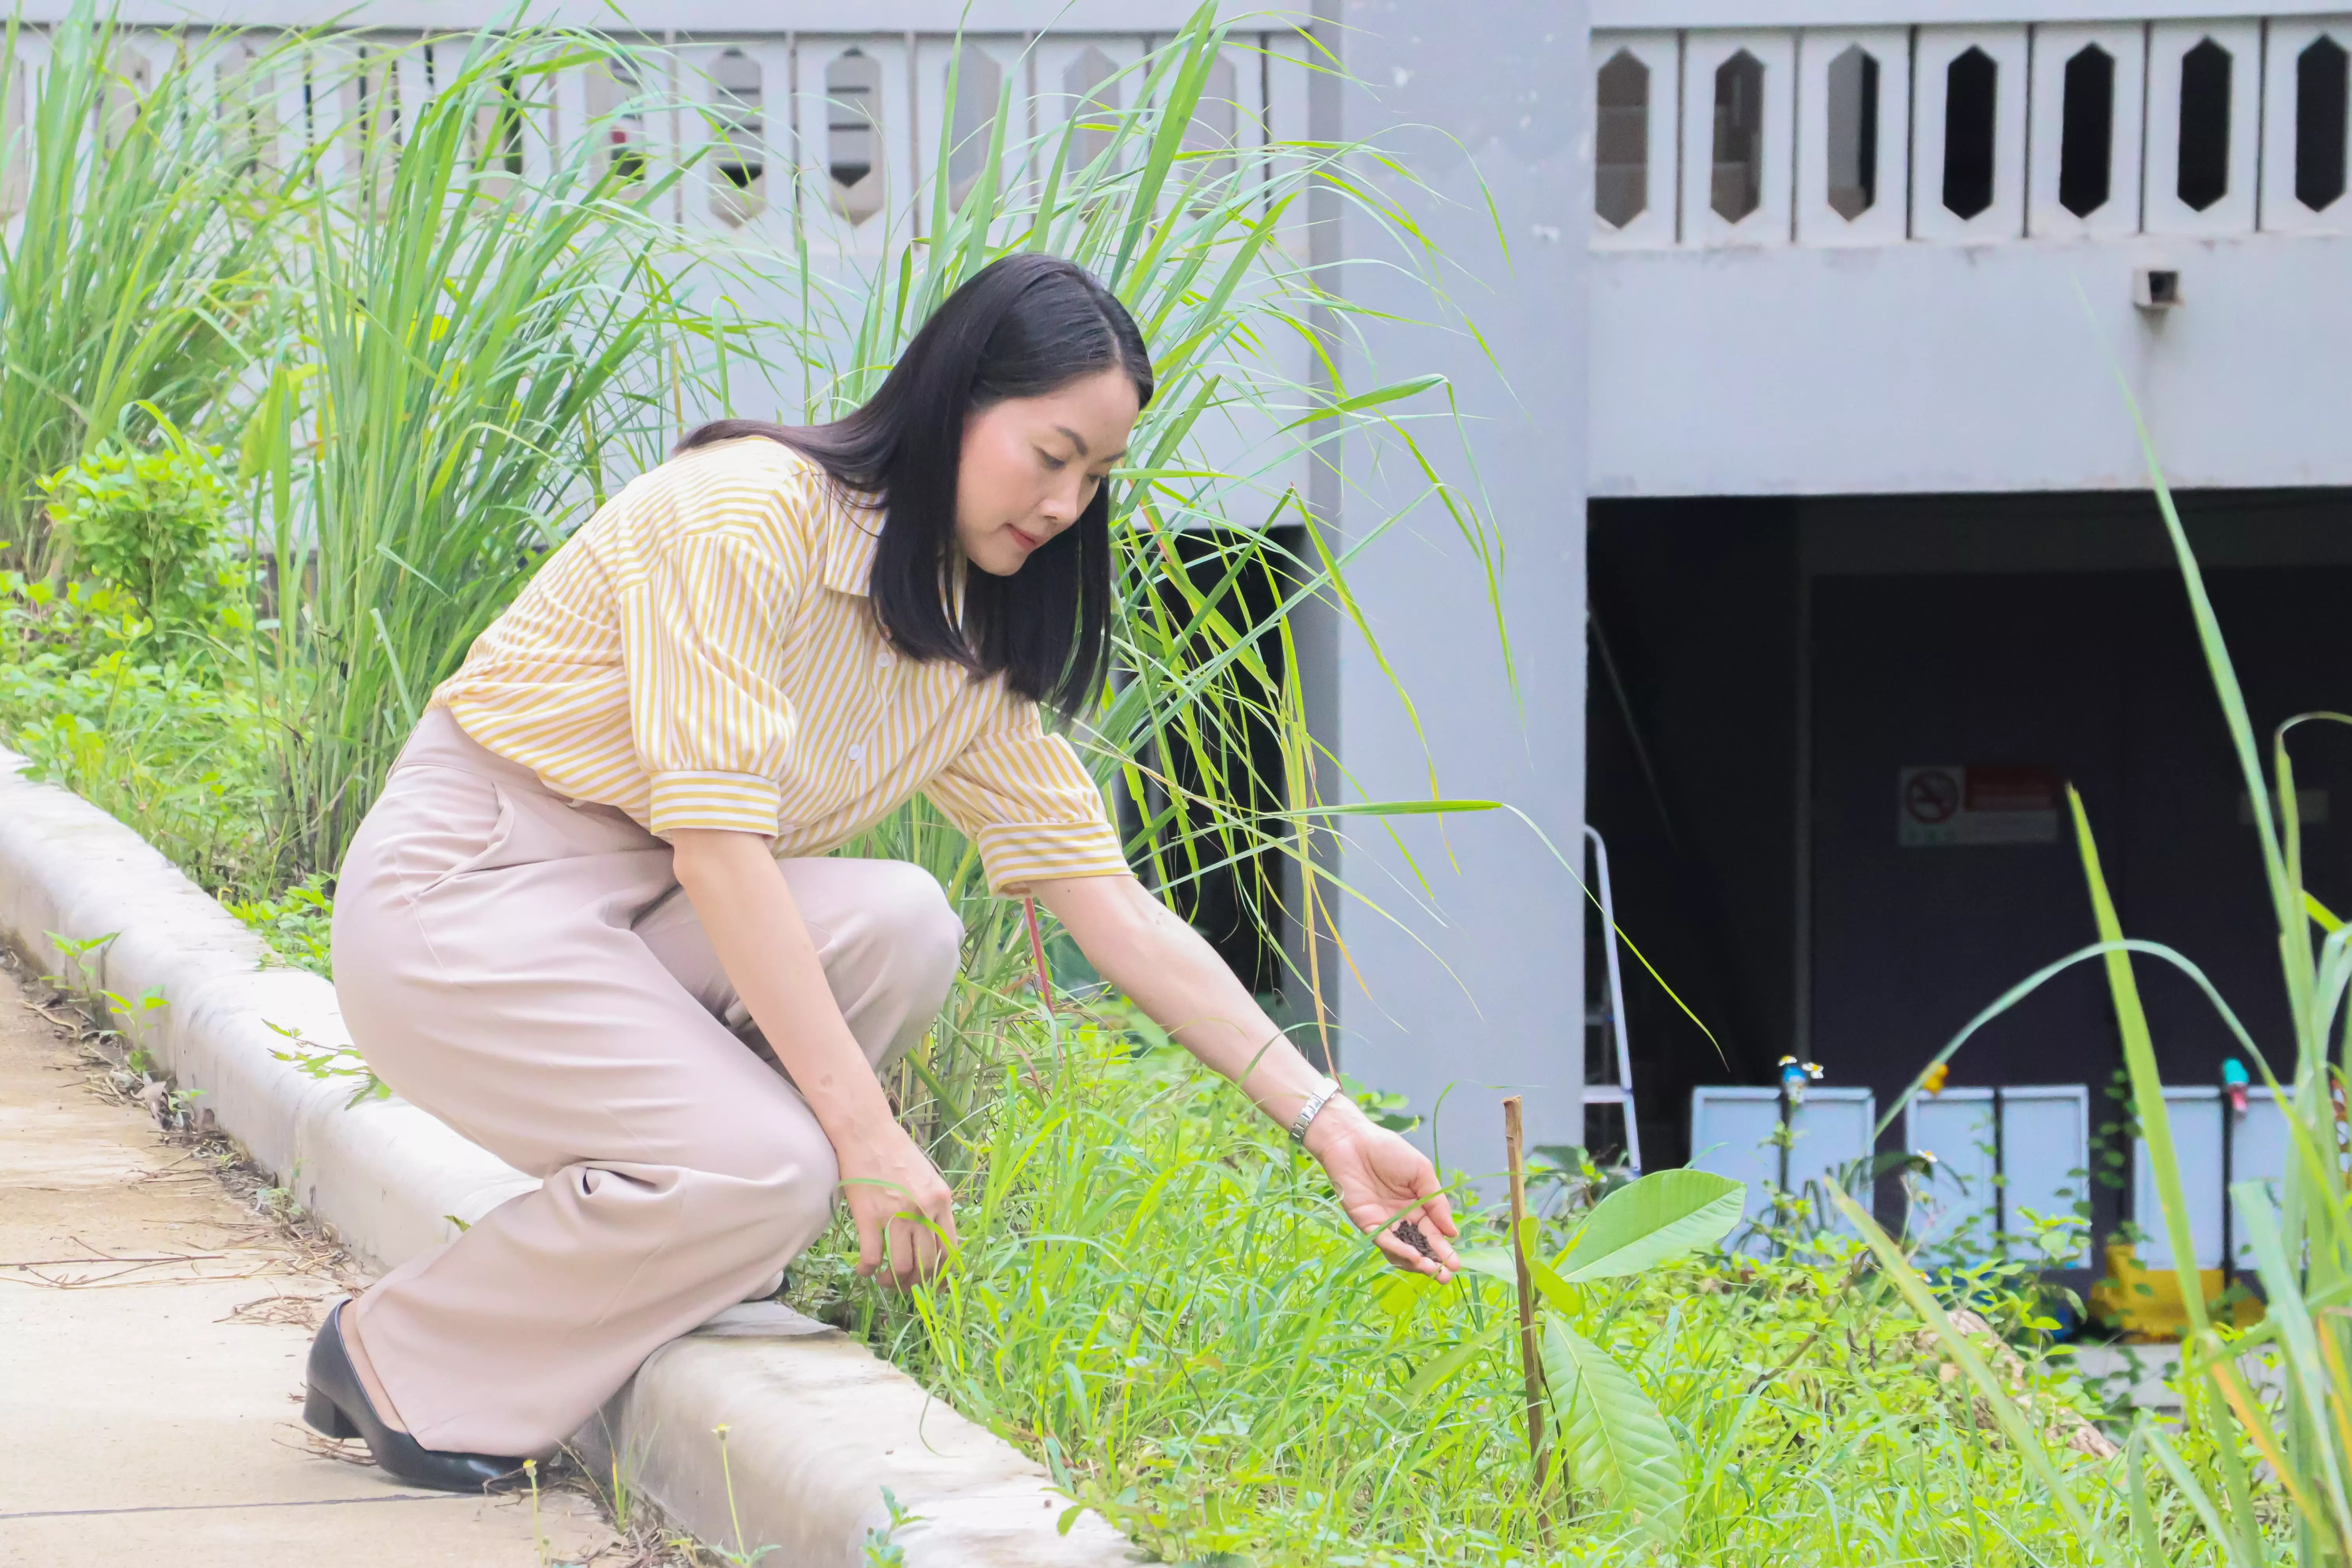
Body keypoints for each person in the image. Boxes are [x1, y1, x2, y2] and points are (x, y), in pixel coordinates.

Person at [302, 253, 1461, 1492]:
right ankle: (392, 1360)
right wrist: (862, 1141)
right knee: (778, 1161)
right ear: (955, 399)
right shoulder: (743, 515)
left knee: (903, 919)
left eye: (1098, 476)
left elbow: (1110, 906)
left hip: (639, 917)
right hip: (469, 899)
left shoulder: (967, 633)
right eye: (1050, 453)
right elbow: (718, 846)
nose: (1069, 503)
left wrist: (1327, 1123)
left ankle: (707, 1246)